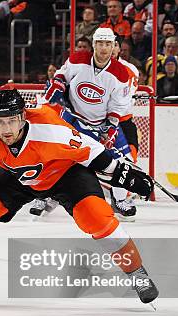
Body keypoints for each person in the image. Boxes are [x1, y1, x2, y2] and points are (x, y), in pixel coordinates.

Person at [0, 88, 157, 306]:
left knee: (96, 217)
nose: (5, 129)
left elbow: (91, 151)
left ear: (23, 117)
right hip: (14, 176)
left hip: (65, 173)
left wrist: (123, 174)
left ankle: (136, 272)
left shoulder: (49, 129)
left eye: (11, 121)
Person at [41, 28, 138, 221]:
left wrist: (111, 126)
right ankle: (47, 196)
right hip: (73, 118)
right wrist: (58, 84)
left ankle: (119, 201)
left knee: (123, 162)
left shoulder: (120, 74)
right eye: (100, 44)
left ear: (113, 47)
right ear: (94, 45)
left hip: (101, 123)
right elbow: (62, 75)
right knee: (60, 157)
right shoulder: (78, 60)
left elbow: (118, 105)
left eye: (108, 44)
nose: (103, 48)